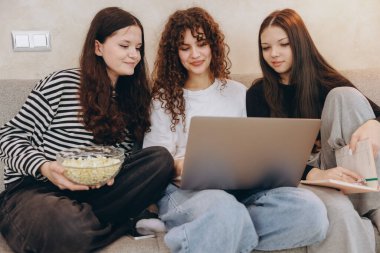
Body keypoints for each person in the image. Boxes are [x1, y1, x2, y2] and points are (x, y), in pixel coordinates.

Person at [143, 7, 328, 253]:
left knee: (311, 212)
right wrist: (183, 165)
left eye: (201, 44)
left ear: (213, 46)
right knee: (225, 210)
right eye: (185, 48)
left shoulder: (238, 92)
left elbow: (254, 145)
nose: (195, 54)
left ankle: (208, 232)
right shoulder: (162, 99)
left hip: (240, 190)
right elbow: (156, 160)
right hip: (185, 190)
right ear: (174, 54)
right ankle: (220, 225)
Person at [0, 7, 173, 253]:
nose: (134, 55)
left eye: (138, 48)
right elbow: (8, 137)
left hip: (97, 194)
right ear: (98, 47)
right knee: (63, 224)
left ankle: (81, 226)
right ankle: (119, 224)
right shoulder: (61, 83)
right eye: (125, 46)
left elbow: (123, 161)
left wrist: (113, 171)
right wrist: (45, 167)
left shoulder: (133, 100)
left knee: (159, 159)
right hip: (39, 190)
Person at [246, 8, 380, 253]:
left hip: (350, 171)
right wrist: (313, 173)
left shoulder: (326, 81)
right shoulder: (257, 94)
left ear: (299, 43)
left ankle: (368, 199)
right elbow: (265, 159)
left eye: (283, 44)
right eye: (266, 48)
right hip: (299, 178)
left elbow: (368, 114)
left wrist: (375, 124)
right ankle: (368, 206)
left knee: (345, 96)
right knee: (339, 212)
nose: (273, 54)